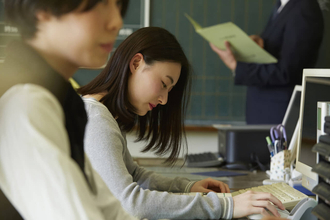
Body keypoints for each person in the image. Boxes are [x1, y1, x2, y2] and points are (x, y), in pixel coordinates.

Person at [78, 26, 285, 219]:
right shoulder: (97, 120)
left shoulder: (103, 114)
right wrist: (226, 206)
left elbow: (134, 174)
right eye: (163, 84)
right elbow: (132, 202)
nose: (164, 99)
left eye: (169, 90)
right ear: (136, 63)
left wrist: (186, 187)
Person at [0, 0, 138, 219]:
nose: (117, 22)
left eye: (118, 5)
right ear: (42, 9)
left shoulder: (59, 99)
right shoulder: (27, 101)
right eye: (100, 4)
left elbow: (110, 210)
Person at [210, 0, 324, 124]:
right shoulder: (283, 5)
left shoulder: (304, 9)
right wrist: (263, 44)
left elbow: (287, 72)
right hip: (265, 113)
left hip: (277, 116)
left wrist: (236, 66)